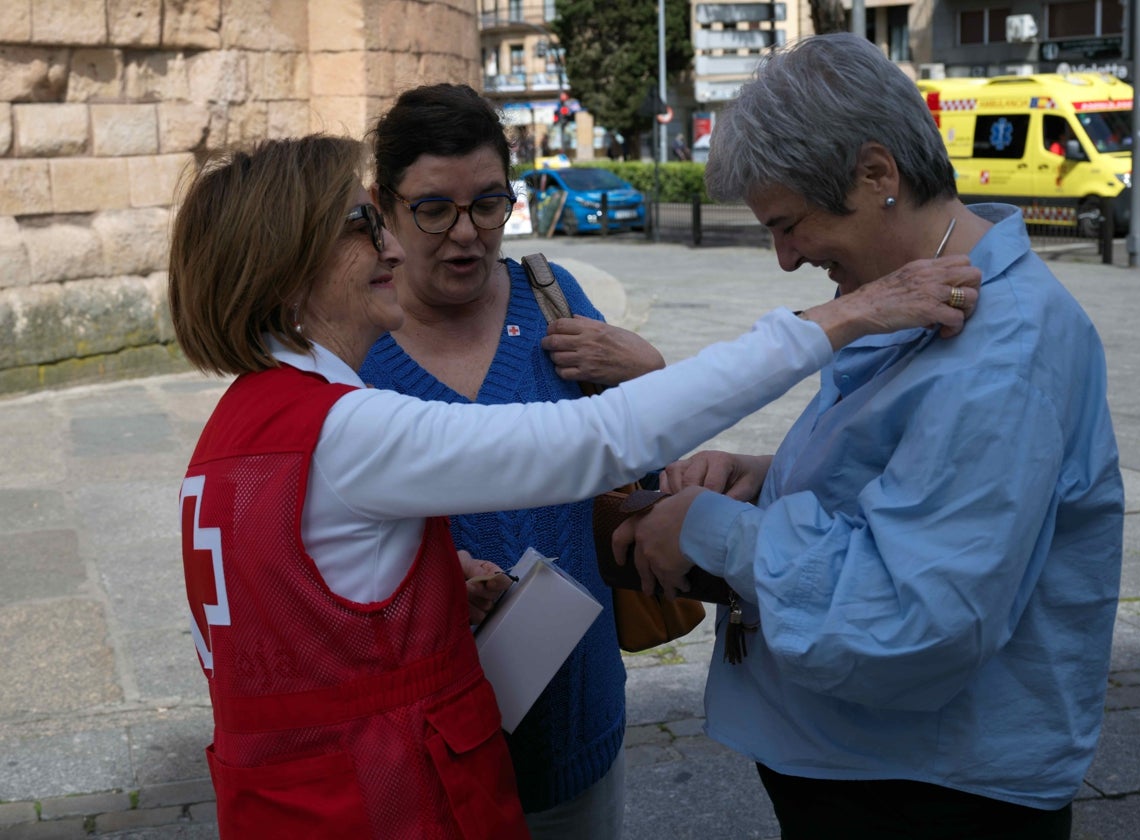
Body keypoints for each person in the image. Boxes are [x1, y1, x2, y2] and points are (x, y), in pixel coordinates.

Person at [168, 133, 978, 839]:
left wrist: (419, 587)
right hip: (389, 808)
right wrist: (845, 317)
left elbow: (288, 605)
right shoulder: (345, 428)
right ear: (284, 264)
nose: (389, 248)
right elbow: (599, 438)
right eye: (361, 225)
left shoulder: (237, 429)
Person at [617, 34, 1123, 840]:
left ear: (878, 176)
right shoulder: (927, 301)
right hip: (877, 766)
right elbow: (923, 479)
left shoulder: (1001, 348)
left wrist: (715, 531)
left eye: (790, 225)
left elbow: (919, 618)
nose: (785, 261)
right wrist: (768, 475)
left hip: (931, 790)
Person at [361, 83, 665, 839]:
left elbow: (643, 486)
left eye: (489, 204)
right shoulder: (357, 349)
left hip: (576, 732)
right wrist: (420, 587)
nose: (467, 234)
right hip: (427, 761)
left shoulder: (555, 302)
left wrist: (652, 383)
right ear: (383, 206)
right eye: (435, 208)